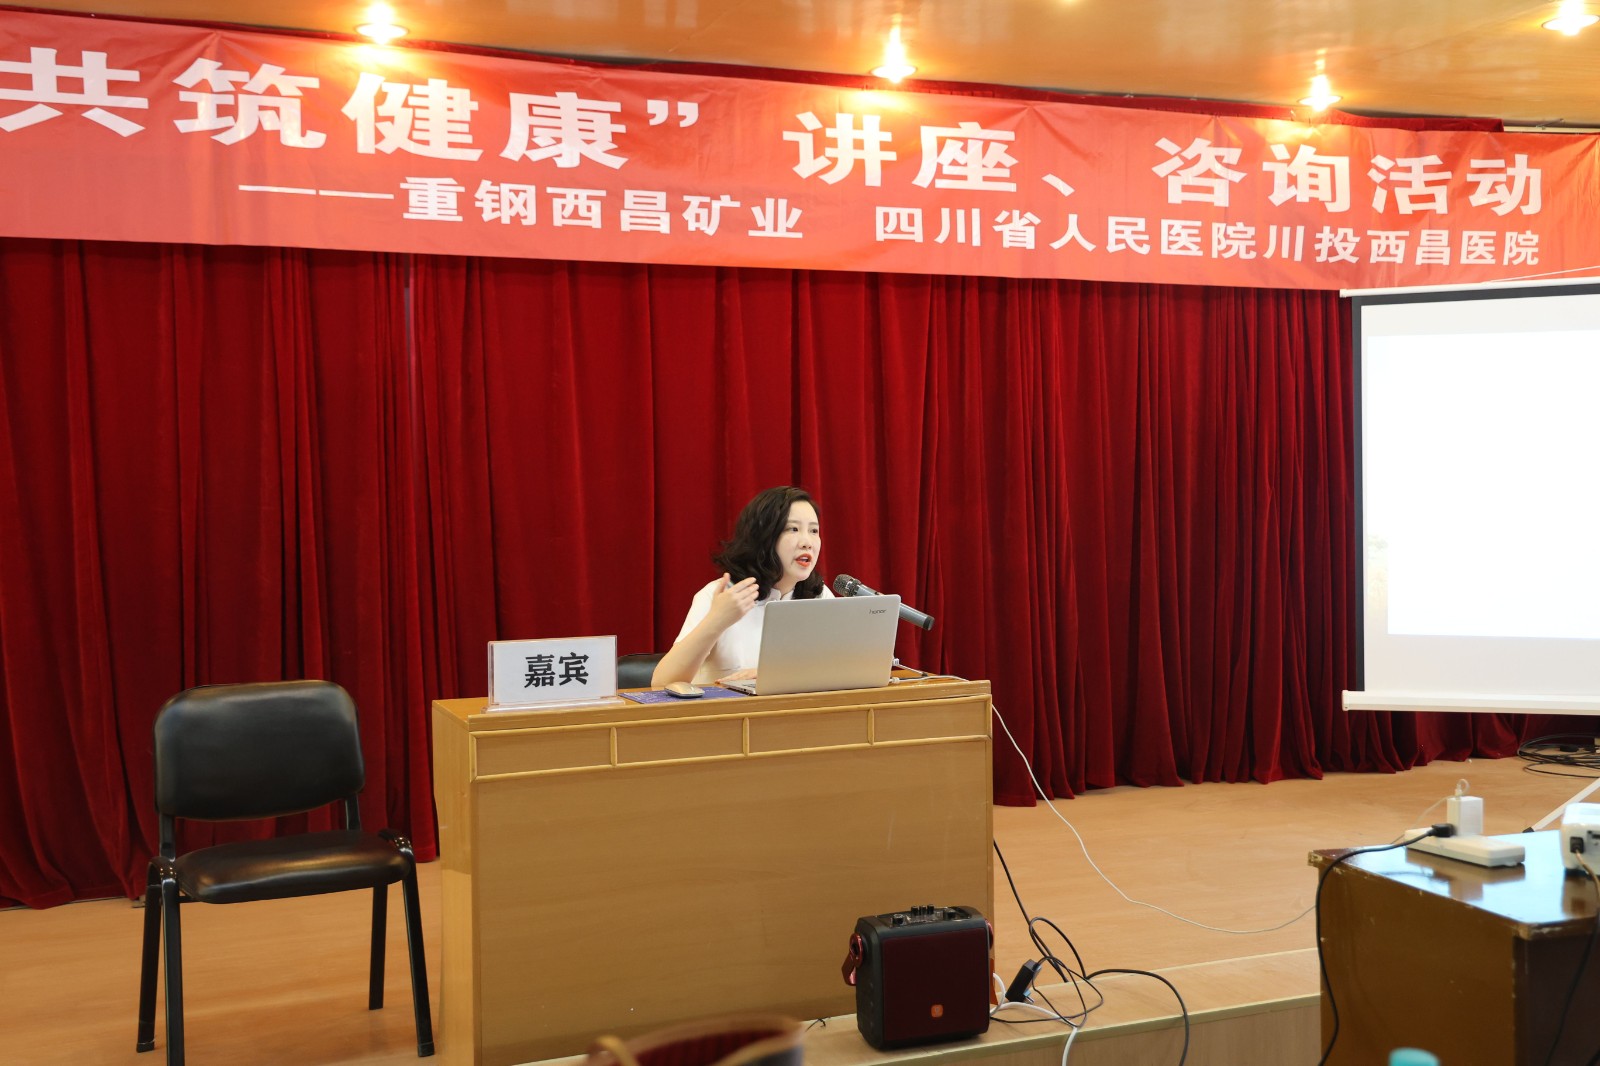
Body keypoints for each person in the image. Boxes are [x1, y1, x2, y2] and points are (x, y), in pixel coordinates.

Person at [651, 486, 831, 687]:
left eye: (814, 531)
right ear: (764, 537)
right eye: (793, 529)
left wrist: (773, 675)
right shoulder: (720, 595)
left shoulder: (820, 595)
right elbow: (661, 683)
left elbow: (841, 669)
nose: (807, 542)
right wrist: (717, 619)